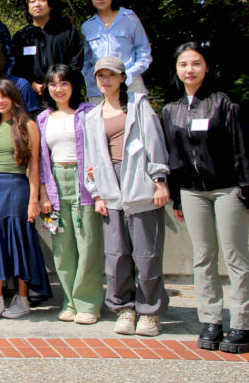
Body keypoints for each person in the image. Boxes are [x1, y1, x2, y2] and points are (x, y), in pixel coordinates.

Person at [161, 42, 249, 354]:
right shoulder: (170, 110)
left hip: (227, 189)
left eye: (196, 63)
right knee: (203, 257)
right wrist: (177, 198)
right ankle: (211, 320)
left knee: (236, 257)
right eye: (183, 64)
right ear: (177, 70)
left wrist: (245, 187)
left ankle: (241, 322)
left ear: (207, 67)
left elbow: (241, 149)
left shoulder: (224, 104)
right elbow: (173, 157)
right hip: (192, 193)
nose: (189, 70)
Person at [83, 56, 170, 337]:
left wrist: (160, 181)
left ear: (122, 78)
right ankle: (124, 307)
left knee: (146, 254)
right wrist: (96, 194)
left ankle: (150, 311)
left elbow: (155, 143)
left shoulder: (139, 106)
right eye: (101, 75)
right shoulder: (92, 116)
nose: (106, 80)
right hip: (110, 187)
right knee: (116, 254)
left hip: (140, 182)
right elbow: (90, 158)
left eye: (112, 74)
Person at [0, 79, 52, 321]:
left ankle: (22, 298)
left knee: (20, 241)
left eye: (3, 96)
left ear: (13, 98)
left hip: (19, 188)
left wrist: (34, 201)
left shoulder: (27, 125)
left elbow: (34, 166)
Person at [35, 65, 103, 324]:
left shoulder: (88, 113)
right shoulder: (43, 119)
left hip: (84, 183)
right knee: (62, 248)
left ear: (74, 85)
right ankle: (70, 301)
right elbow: (42, 160)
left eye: (63, 82)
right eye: (52, 84)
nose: (58, 88)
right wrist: (43, 193)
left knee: (89, 244)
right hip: (55, 183)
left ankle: (89, 303)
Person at [81, 0, 153, 100]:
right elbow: (85, 62)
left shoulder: (129, 18)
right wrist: (92, 79)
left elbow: (143, 51)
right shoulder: (87, 26)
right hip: (99, 88)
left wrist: (128, 75)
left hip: (130, 85)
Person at [10, 0, 83, 94]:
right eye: (32, 1)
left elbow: (76, 61)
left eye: (42, 0)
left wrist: (59, 83)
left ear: (51, 4)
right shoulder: (22, 36)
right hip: (33, 95)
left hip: (64, 92)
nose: (37, 4)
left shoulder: (67, 31)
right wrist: (33, 85)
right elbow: (17, 67)